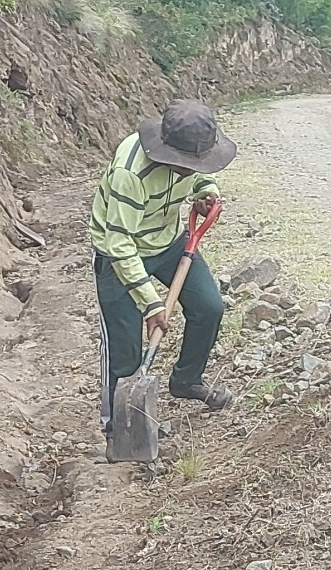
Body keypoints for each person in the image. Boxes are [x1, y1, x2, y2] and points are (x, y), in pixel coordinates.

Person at [89, 97, 239, 424]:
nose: (192, 168)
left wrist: (207, 191)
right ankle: (117, 426)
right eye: (186, 163)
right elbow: (119, 243)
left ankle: (186, 380)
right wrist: (151, 303)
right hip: (119, 254)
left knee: (209, 308)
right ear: (166, 151)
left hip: (169, 241)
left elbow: (200, 176)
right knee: (125, 351)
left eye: (199, 162)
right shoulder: (130, 172)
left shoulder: (191, 159)